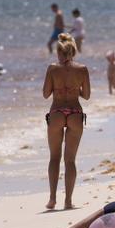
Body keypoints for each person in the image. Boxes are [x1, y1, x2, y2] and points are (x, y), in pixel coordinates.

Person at [43, 33, 90, 209]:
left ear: (59, 52)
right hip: (75, 112)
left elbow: (46, 94)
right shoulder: (83, 69)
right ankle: (68, 201)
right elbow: (86, 95)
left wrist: (58, 87)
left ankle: (52, 199)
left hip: (56, 112)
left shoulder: (52, 69)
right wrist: (74, 89)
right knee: (70, 160)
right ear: (73, 51)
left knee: (54, 158)